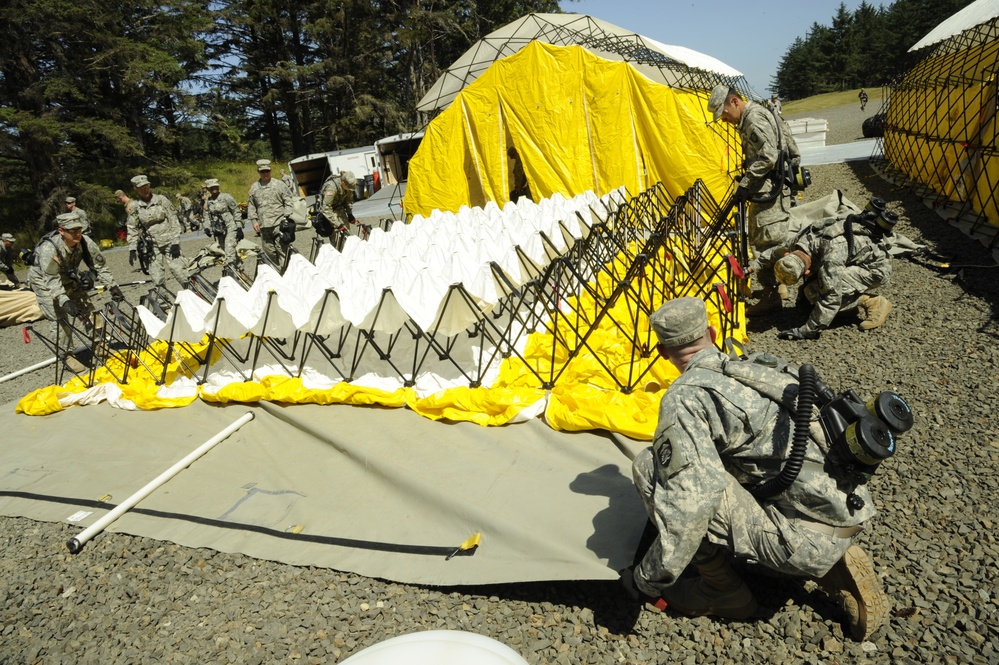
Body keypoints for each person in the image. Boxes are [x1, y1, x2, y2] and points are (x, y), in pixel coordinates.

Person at [629, 297, 889, 640]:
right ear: (711, 331)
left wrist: (646, 579)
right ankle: (830, 558)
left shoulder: (687, 397)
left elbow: (688, 508)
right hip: (846, 509)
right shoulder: (760, 365)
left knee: (650, 466)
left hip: (800, 538)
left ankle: (722, 589)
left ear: (663, 353)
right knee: (720, 459)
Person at [707, 85, 803, 314]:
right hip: (770, 188)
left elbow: (769, 156)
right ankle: (778, 288)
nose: (724, 120)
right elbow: (787, 145)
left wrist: (746, 182)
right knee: (772, 240)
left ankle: (772, 295)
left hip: (767, 191)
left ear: (734, 102)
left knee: (764, 244)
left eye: (724, 114)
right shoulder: (760, 113)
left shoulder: (753, 119)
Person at [772, 211, 894, 340]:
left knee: (813, 291)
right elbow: (771, 255)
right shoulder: (798, 242)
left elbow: (831, 297)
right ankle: (846, 309)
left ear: (806, 271)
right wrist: (751, 269)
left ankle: (872, 301)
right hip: (855, 259)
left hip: (874, 269)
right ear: (788, 254)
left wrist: (806, 331)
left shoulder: (831, 257)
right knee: (807, 300)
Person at [26, 211, 122, 372]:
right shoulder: (50, 249)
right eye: (72, 231)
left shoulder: (85, 241)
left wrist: (113, 286)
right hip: (44, 282)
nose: (77, 234)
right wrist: (65, 301)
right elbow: (51, 280)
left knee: (90, 311)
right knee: (60, 317)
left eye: (79, 229)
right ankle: (66, 355)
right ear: (61, 231)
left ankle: (100, 345)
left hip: (68, 277)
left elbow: (100, 265)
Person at [128, 174, 189, 298]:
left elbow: (173, 220)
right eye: (141, 188)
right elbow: (132, 227)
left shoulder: (161, 200)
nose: (145, 190)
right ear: (136, 189)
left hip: (170, 241)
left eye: (146, 186)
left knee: (180, 271)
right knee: (157, 277)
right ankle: (164, 304)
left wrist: (176, 241)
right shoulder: (135, 207)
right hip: (151, 246)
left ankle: (194, 295)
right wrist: (132, 248)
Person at [247, 159, 294, 271]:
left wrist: (286, 217)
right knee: (270, 253)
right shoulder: (254, 187)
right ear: (258, 171)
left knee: (282, 251)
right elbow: (252, 205)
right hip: (264, 227)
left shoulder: (279, 184)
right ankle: (279, 273)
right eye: (262, 171)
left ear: (270, 171)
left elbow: (288, 201)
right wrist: (254, 221)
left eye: (267, 171)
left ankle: (288, 274)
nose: (265, 174)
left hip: (279, 224)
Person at [203, 178, 243, 272]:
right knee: (226, 251)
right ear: (208, 189)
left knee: (229, 249)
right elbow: (207, 216)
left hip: (230, 226)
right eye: (211, 188)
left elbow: (236, 211)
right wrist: (207, 227)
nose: (214, 189)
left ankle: (231, 272)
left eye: (215, 187)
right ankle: (240, 269)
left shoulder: (226, 197)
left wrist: (239, 227)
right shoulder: (208, 201)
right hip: (219, 230)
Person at [316, 170, 357, 237]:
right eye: (348, 188)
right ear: (343, 183)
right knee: (336, 233)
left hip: (339, 208)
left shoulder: (348, 186)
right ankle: (337, 246)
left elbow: (348, 200)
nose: (350, 190)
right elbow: (326, 208)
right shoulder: (331, 187)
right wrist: (338, 225)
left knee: (346, 232)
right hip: (328, 211)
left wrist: (349, 213)